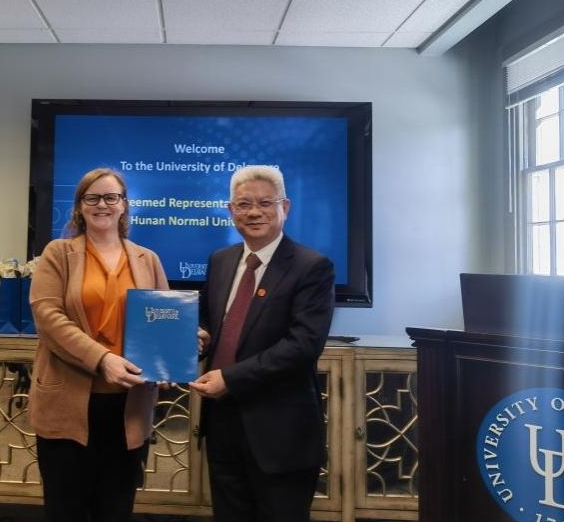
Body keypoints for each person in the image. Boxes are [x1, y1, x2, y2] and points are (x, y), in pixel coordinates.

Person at [189, 165, 335, 522]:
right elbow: (211, 322)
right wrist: (200, 337)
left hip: (280, 432)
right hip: (222, 422)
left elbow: (302, 345)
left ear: (285, 207)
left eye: (265, 203)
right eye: (244, 204)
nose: (254, 212)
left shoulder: (312, 267)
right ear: (231, 210)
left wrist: (230, 378)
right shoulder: (220, 260)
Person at [28, 167, 169, 522]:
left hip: (128, 406)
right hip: (68, 402)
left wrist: (176, 347)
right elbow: (48, 317)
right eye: (92, 198)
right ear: (80, 206)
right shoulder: (58, 253)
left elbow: (163, 318)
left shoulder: (148, 259)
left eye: (111, 197)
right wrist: (102, 359)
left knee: (115, 507)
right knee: (66, 508)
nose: (102, 205)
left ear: (124, 204)